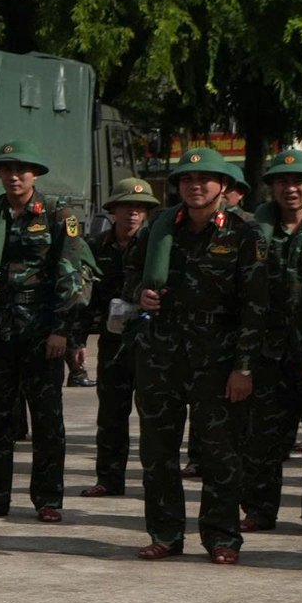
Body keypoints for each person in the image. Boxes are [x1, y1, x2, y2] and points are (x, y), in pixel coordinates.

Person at [126, 147, 267, 562]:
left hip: (217, 356)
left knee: (220, 452)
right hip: (162, 354)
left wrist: (243, 367)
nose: (195, 184)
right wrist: (140, 294)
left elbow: (255, 307)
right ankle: (166, 534)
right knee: (157, 451)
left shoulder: (244, 233)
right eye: (187, 179)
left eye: (205, 178)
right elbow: (129, 274)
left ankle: (222, 537)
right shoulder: (160, 227)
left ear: (223, 186)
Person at [0, 138, 88, 523]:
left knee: (47, 421)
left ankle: (48, 498)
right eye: (6, 169)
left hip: (40, 335)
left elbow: (68, 276)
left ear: (35, 174)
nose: (13, 176)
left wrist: (61, 331)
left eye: (21, 169)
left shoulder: (56, 213)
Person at [78, 180, 159, 498]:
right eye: (127, 206)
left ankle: (154, 480)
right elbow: (86, 298)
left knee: (153, 414)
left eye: (140, 207)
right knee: (111, 413)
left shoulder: (157, 244)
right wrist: (78, 340)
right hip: (112, 342)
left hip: (150, 340)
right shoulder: (97, 246)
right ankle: (109, 478)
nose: (134, 212)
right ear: (113, 210)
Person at [241, 150, 302, 530]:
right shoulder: (256, 230)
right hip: (269, 352)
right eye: (282, 181)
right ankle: (259, 510)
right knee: (263, 437)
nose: (291, 188)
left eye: (298, 181)